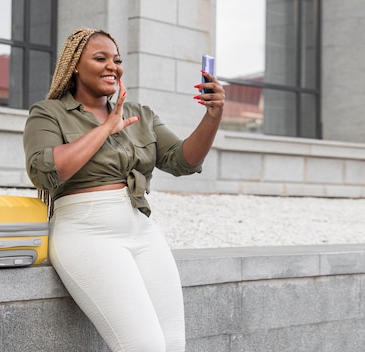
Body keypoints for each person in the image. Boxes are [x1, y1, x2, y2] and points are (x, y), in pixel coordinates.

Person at [23, 27, 224, 352]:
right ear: (75, 64)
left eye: (116, 60)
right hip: (87, 235)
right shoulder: (48, 113)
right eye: (100, 58)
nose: (112, 66)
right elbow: (45, 171)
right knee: (145, 346)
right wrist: (105, 129)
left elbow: (182, 161)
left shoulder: (138, 114)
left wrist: (213, 116)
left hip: (142, 231)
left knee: (172, 345)